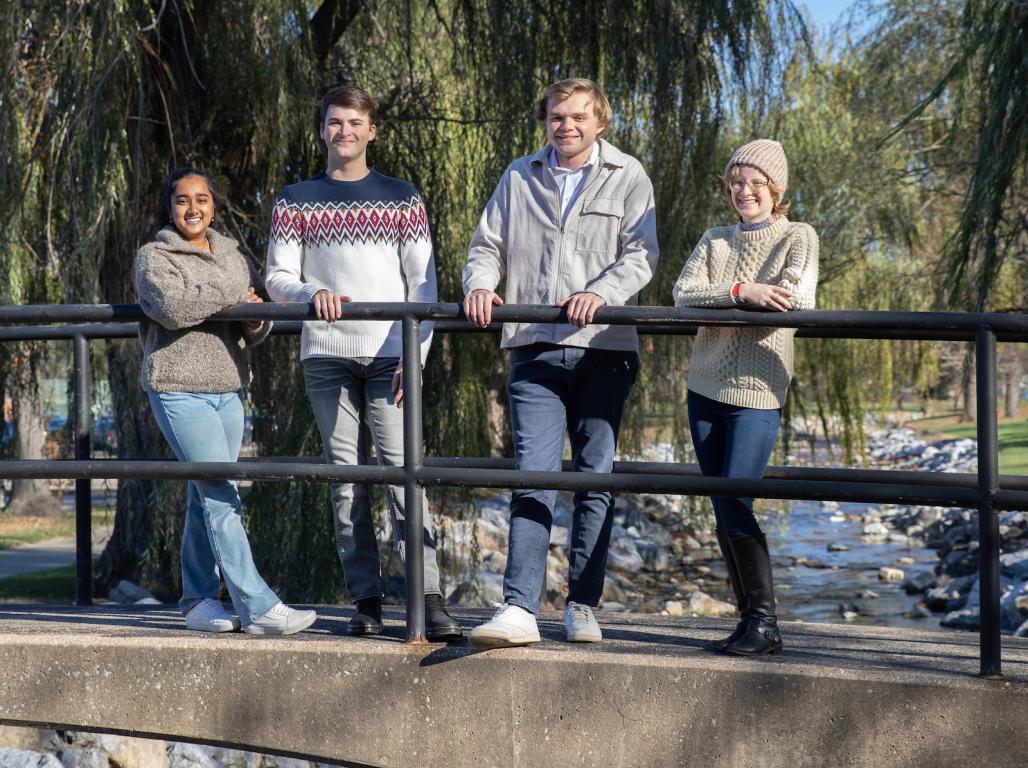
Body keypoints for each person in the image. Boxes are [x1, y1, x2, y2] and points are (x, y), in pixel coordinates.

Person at [463, 78, 659, 648]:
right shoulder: (519, 175)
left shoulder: (629, 176)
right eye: (555, 117)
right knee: (534, 476)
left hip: (605, 347)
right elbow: (486, 246)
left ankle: (582, 604)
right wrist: (480, 285)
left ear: (600, 122)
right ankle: (519, 609)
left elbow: (642, 254)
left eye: (577, 117)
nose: (565, 126)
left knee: (594, 477)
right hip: (532, 344)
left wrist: (602, 293)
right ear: (544, 120)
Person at [265, 85, 461, 641]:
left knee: (406, 478)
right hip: (326, 358)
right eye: (334, 122)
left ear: (371, 131)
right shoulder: (295, 199)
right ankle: (367, 602)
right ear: (322, 129)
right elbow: (277, 276)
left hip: (391, 357)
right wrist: (309, 295)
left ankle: (430, 600)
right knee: (346, 483)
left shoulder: (402, 197)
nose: (344, 132)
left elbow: (424, 283)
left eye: (355, 123)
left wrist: (415, 355)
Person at [135, 167, 317, 636]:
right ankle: (258, 607)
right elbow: (173, 309)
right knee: (221, 494)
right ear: (169, 207)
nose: (193, 208)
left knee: (203, 496)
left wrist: (252, 318)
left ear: (213, 205)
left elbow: (255, 317)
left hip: (229, 387)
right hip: (178, 385)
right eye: (182, 200)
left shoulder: (233, 252)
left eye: (201, 199)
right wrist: (232, 295)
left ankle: (197, 601)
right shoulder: (154, 258)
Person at [673, 139, 819, 656]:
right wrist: (742, 293)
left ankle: (766, 623)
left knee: (736, 499)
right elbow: (684, 294)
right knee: (720, 505)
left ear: (775, 189)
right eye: (737, 183)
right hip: (705, 386)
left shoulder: (798, 235)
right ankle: (745, 621)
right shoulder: (714, 239)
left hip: (757, 390)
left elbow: (796, 298)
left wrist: (751, 294)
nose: (745, 192)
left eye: (756, 184)